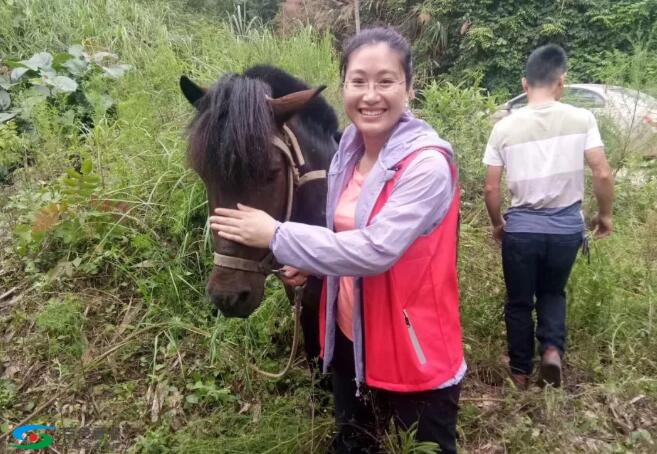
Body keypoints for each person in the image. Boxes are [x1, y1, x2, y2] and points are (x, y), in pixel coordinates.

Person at [210, 27, 466, 453]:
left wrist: (276, 235)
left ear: (410, 88)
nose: (370, 95)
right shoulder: (347, 148)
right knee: (353, 441)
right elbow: (341, 231)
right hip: (351, 334)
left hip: (412, 349)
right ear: (343, 84)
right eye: (358, 80)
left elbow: (377, 248)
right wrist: (311, 261)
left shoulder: (426, 165)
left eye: (385, 81)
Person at [483, 44, 614, 389]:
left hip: (522, 230)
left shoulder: (504, 127)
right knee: (553, 293)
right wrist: (605, 216)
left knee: (519, 301)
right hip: (566, 229)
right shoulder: (581, 118)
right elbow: (601, 172)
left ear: (525, 84)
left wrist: (498, 224)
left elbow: (491, 189)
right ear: (562, 82)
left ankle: (521, 372)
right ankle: (552, 351)